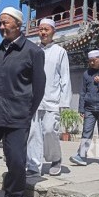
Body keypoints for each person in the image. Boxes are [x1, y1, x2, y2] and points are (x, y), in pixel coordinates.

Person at [0, 7, 46, 197]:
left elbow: (39, 88)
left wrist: (27, 112)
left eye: (6, 22)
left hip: (17, 116)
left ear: (18, 25)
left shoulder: (34, 51)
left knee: (15, 160)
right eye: (0, 23)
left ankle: (13, 196)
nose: (2, 27)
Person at [26, 18, 72, 177]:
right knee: (33, 133)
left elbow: (65, 78)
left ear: (53, 31)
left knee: (49, 130)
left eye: (46, 29)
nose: (43, 32)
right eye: (40, 29)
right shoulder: (33, 50)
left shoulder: (60, 52)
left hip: (52, 99)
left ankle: (55, 158)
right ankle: (33, 165)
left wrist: (64, 102)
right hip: (34, 100)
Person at [69, 50, 99, 167]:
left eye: (93, 61)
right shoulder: (87, 74)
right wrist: (81, 108)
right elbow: (83, 92)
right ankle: (81, 155)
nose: (91, 63)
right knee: (86, 132)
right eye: (90, 61)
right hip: (89, 108)